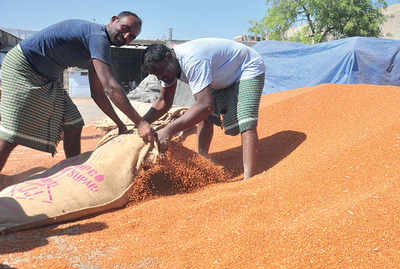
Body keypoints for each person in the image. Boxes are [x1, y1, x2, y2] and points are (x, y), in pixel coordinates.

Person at [0, 11, 154, 173]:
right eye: (125, 28)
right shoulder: (97, 37)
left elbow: (98, 93)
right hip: (23, 69)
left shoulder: (100, 48)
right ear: (113, 20)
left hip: (47, 79)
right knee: (12, 133)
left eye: (132, 36)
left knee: (73, 123)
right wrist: (141, 123)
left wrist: (120, 124)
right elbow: (110, 86)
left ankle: (72, 172)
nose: (126, 36)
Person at [141, 38, 265, 180]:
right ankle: (204, 161)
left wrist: (168, 131)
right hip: (219, 77)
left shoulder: (192, 59)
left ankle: (250, 178)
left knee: (245, 120)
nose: (161, 77)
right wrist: (142, 123)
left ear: (169, 57)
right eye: (156, 75)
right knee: (204, 118)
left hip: (246, 67)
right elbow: (164, 101)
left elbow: (205, 105)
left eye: (161, 72)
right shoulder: (166, 68)